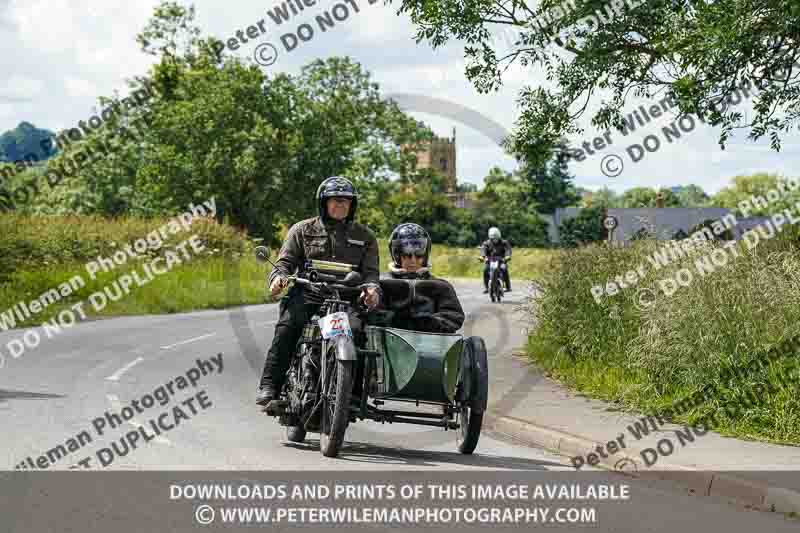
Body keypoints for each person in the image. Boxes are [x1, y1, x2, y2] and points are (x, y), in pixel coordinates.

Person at [256, 176, 381, 407]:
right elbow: (284, 264)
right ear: (323, 203)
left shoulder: (366, 237)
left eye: (346, 201)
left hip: (346, 298)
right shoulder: (302, 230)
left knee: (358, 334)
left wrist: (372, 290)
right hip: (308, 293)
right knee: (288, 326)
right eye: (334, 200)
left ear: (352, 205)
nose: (340, 205)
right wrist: (278, 279)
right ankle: (270, 385)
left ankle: (352, 394)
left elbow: (371, 273)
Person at [379, 223, 465, 333]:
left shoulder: (441, 286)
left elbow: (454, 315)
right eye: (407, 254)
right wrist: (396, 320)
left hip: (431, 343)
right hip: (390, 342)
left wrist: (430, 322)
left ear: (425, 256)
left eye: (419, 255)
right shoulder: (382, 284)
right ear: (396, 254)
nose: (413, 260)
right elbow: (372, 313)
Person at [480, 227, 512, 293]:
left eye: (496, 238)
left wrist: (507, 256)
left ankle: (508, 286)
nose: (495, 240)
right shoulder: (486, 243)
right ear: (490, 237)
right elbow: (483, 250)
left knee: (504, 269)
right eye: (493, 238)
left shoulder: (504, 242)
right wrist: (483, 257)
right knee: (485, 270)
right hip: (490, 260)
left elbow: (508, 250)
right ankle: (486, 287)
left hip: (501, 260)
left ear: (499, 236)